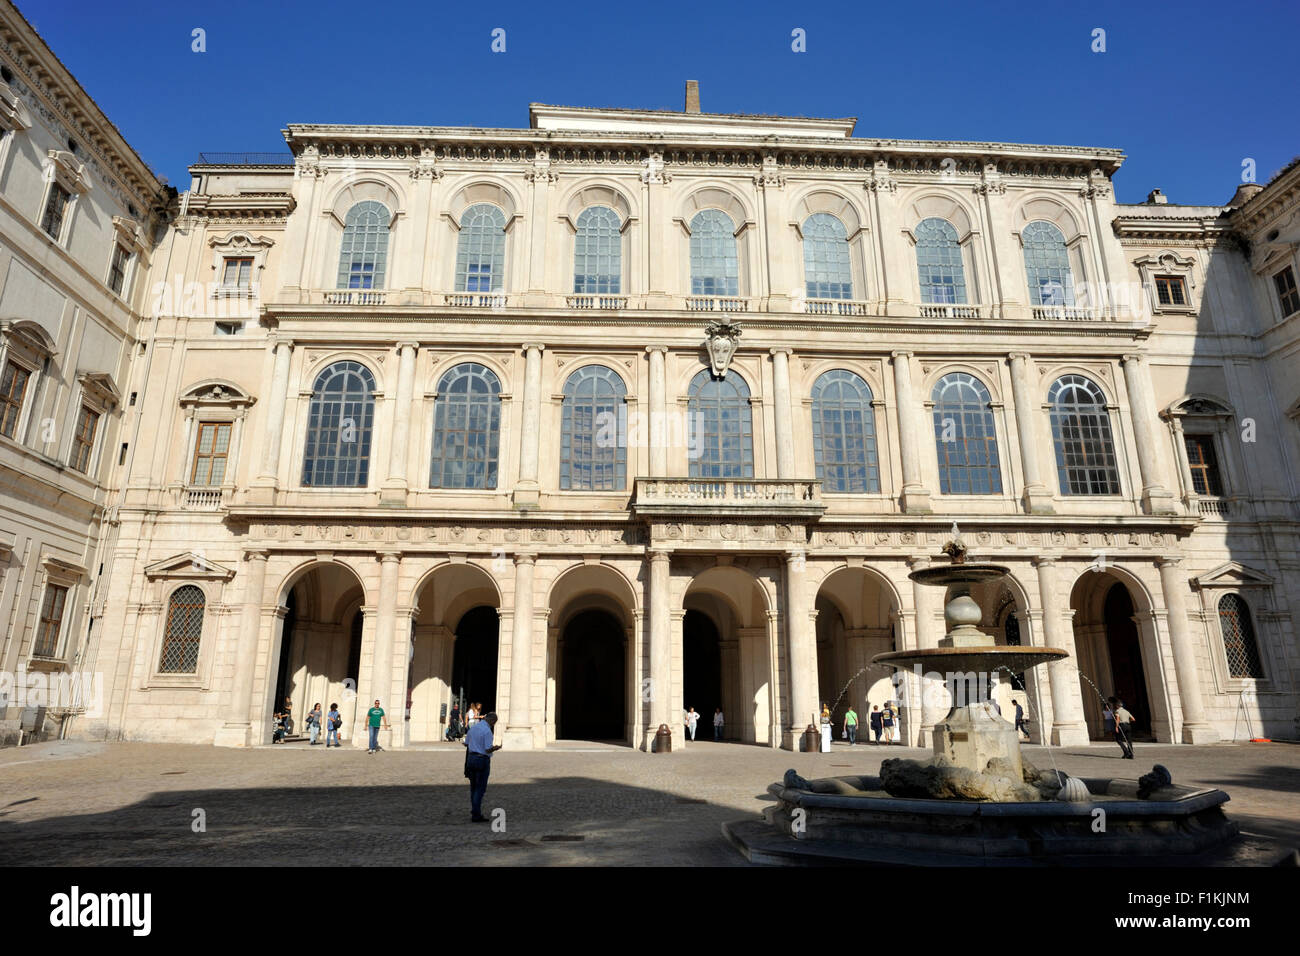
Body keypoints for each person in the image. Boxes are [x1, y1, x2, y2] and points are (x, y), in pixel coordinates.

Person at [464, 712, 501, 822]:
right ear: (492, 720)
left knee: (473, 787)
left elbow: (466, 743)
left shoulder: (474, 728)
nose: (493, 724)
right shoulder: (487, 731)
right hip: (481, 760)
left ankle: (475, 811)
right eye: (494, 722)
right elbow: (487, 749)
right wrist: (496, 748)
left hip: (471, 758)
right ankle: (476, 814)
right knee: (480, 788)